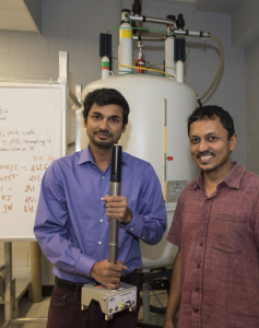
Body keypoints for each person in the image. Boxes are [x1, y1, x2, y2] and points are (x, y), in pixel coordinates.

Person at [34, 88, 167, 328]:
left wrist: (129, 217)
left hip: (123, 292)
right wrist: (91, 267)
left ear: (124, 127)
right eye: (97, 117)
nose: (104, 125)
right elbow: (49, 233)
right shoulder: (60, 172)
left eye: (114, 119)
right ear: (85, 121)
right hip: (71, 296)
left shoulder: (143, 173)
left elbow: (156, 232)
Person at [163, 105, 259, 328]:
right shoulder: (187, 195)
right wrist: (169, 317)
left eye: (211, 138)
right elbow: (182, 257)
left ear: (232, 142)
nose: (202, 147)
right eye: (195, 140)